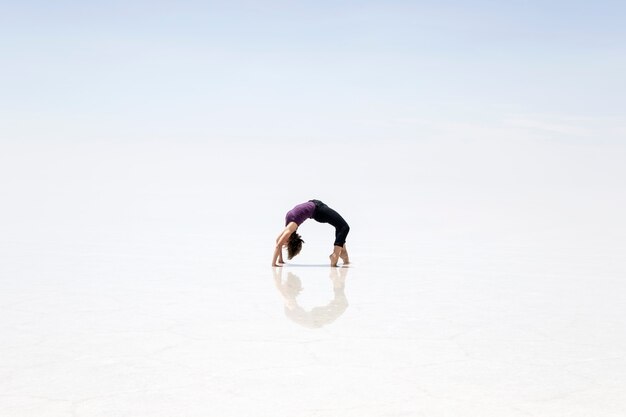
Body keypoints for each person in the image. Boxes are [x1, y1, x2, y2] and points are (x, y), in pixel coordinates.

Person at [272, 199, 350, 267]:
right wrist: (274, 264)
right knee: (344, 227)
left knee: (340, 226)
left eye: (284, 244)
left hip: (317, 206)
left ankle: (343, 253)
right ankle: (335, 255)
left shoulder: (288, 227)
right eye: (285, 245)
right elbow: (278, 245)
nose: (283, 243)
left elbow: (277, 241)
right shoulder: (290, 229)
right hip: (318, 210)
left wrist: (280, 259)